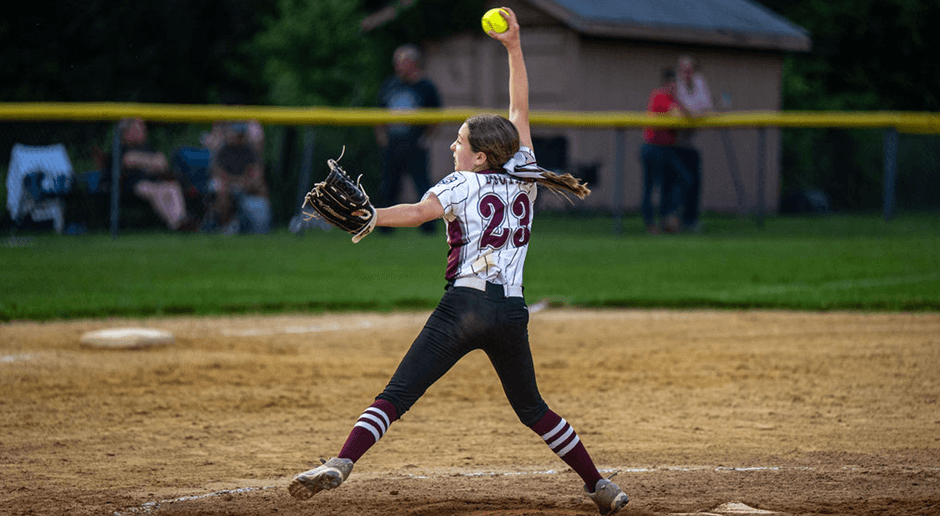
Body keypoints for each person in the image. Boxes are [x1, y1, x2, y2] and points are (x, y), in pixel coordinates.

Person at [288, 8, 629, 516]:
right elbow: (520, 109)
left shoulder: (461, 182)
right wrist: (514, 47)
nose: (453, 145)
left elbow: (417, 212)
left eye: (461, 142)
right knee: (534, 410)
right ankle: (600, 485)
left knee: (397, 395)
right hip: (510, 313)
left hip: (462, 308)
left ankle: (341, 463)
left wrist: (370, 215)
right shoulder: (526, 176)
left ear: (481, 157)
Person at [375, 43, 442, 235]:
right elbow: (378, 114)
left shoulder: (426, 87)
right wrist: (382, 139)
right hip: (392, 145)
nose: (398, 66)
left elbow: (436, 117)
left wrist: (426, 139)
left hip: (415, 145)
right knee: (388, 187)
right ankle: (384, 228)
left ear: (413, 63)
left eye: (402, 62)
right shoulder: (390, 85)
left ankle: (428, 228)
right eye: (396, 62)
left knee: (423, 187)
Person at [111, 117, 196, 231]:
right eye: (139, 127)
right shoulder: (121, 147)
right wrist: (151, 162)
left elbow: (162, 162)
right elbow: (129, 159)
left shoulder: (145, 146)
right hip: (132, 184)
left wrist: (144, 161)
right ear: (127, 132)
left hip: (154, 181)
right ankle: (176, 224)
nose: (143, 130)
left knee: (172, 187)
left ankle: (181, 220)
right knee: (154, 190)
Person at [640, 68, 690, 234]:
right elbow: (676, 115)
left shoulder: (675, 99)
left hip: (668, 149)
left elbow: (684, 116)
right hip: (653, 147)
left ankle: (668, 220)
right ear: (667, 82)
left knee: (678, 180)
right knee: (651, 187)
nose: (675, 86)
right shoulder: (660, 95)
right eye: (673, 82)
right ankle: (651, 223)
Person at [202, 120, 272, 234]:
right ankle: (225, 225)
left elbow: (256, 174)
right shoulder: (222, 150)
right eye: (236, 134)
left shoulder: (250, 151)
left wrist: (245, 183)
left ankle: (262, 226)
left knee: (262, 188)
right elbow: (217, 173)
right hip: (227, 185)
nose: (239, 137)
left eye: (241, 134)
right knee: (220, 188)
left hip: (244, 186)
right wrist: (235, 181)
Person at [674, 55, 714, 232]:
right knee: (680, 182)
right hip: (673, 142)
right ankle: (674, 221)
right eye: (683, 69)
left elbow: (706, 106)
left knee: (694, 181)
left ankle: (690, 220)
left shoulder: (699, 81)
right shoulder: (675, 83)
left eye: (690, 69)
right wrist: (693, 113)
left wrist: (694, 113)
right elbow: (683, 108)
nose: (686, 73)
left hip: (690, 142)